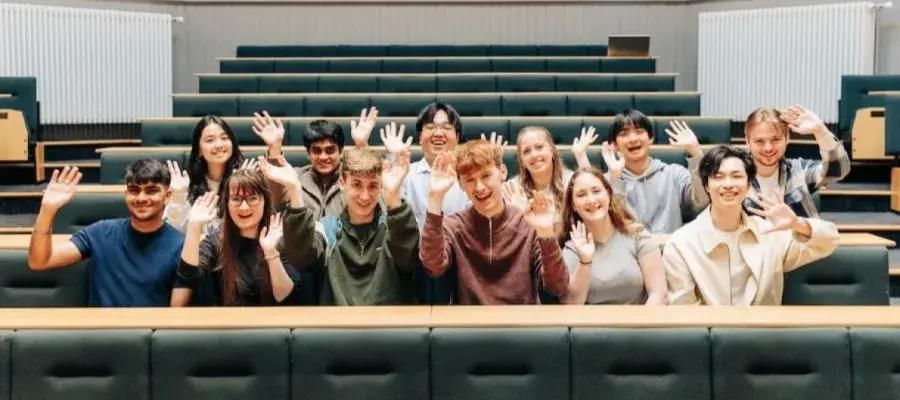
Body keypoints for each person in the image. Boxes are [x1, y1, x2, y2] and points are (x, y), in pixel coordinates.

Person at [663, 145, 839, 306]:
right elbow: (684, 311)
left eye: (737, 176)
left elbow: (829, 241)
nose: (728, 184)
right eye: (718, 177)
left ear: (748, 185)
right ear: (706, 185)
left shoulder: (769, 233)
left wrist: (797, 223)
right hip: (709, 330)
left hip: (765, 329)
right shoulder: (681, 243)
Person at [269, 127, 419, 306]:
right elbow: (301, 257)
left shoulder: (394, 226)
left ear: (380, 187)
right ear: (342, 183)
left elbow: (408, 259)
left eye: (372, 186)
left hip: (388, 319)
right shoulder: (327, 228)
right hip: (338, 321)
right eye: (357, 185)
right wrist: (295, 191)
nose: (365, 196)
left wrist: (393, 196)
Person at [419, 139, 569, 305]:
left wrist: (546, 233)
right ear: (460, 184)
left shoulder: (529, 223)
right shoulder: (453, 226)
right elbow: (433, 266)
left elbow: (558, 286)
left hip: (521, 319)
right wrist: (435, 197)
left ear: (502, 172)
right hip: (469, 320)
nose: (479, 187)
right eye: (469, 180)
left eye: (486, 176)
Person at [27, 161, 188, 307]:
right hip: (103, 329)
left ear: (168, 196)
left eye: (151, 191)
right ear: (126, 194)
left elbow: (178, 311)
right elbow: (40, 261)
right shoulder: (100, 232)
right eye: (134, 190)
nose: (141, 198)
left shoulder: (181, 245)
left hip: (152, 328)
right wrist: (47, 210)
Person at [176, 168, 309, 306]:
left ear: (265, 201)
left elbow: (288, 300)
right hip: (226, 319)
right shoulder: (215, 241)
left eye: (252, 198)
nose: (244, 207)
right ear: (227, 204)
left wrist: (271, 252)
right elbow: (189, 279)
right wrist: (193, 227)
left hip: (271, 319)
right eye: (236, 199)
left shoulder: (279, 238)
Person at [573, 109, 709, 234]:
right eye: (624, 134)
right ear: (614, 145)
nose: (633, 139)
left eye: (639, 131)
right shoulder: (608, 181)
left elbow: (702, 201)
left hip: (669, 247)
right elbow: (606, 222)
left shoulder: (674, 174)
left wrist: (696, 153)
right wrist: (616, 179)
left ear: (651, 138)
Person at [556, 168, 667, 305]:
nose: (591, 200)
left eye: (596, 191)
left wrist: (644, 318)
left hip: (641, 317)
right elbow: (571, 305)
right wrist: (585, 261)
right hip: (592, 319)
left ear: (608, 194)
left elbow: (659, 294)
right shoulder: (571, 249)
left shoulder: (637, 234)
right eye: (581, 195)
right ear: (573, 205)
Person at [263, 108, 379, 220]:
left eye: (330, 150)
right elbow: (274, 198)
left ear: (340, 151)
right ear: (308, 153)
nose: (323, 157)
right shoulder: (295, 177)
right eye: (316, 151)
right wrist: (274, 149)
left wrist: (362, 145)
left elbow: (377, 199)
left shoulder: (353, 178)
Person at [743, 105, 850, 218]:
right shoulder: (735, 176)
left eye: (775, 139)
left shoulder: (799, 171)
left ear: (787, 138)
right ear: (747, 141)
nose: (768, 148)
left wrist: (821, 131)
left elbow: (838, 171)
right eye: (760, 141)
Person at [163, 114, 248, 234]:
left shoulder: (246, 177)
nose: (219, 145)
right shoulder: (186, 185)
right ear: (199, 150)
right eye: (210, 140)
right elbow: (171, 231)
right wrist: (178, 199)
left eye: (224, 138)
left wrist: (246, 189)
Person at [404, 102, 471, 228]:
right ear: (420, 136)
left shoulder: (470, 175)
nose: (438, 133)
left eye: (446, 127)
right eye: (430, 127)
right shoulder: (405, 175)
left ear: (457, 137)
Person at [507, 125, 574, 227]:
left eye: (539, 147)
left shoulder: (572, 181)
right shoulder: (512, 188)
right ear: (522, 161)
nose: (534, 155)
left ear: (552, 150)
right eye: (527, 151)